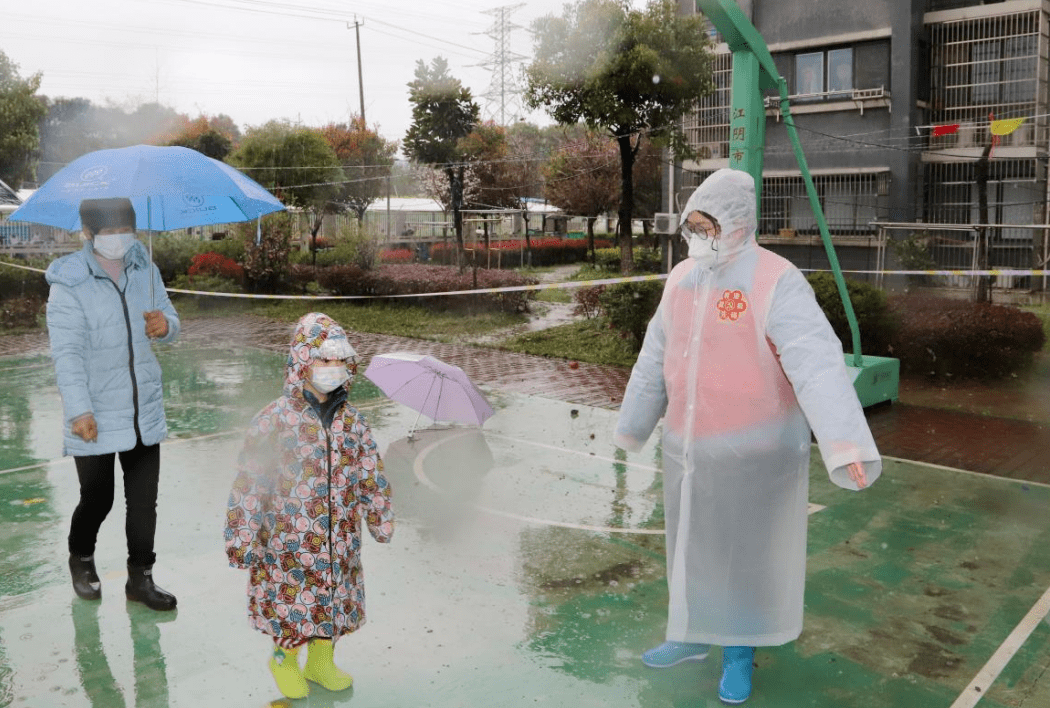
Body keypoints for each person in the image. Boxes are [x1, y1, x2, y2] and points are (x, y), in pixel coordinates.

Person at [614, 168, 880, 705]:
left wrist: (845, 441)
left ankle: (739, 651)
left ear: (736, 223)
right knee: (690, 546)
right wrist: (634, 424)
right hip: (690, 449)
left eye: (706, 225)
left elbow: (816, 365)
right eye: (691, 225)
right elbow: (654, 358)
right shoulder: (682, 280)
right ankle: (688, 635)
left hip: (756, 452)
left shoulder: (774, 280)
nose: (697, 236)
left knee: (745, 556)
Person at [224, 312, 393, 700]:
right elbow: (250, 483)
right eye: (322, 359)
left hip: (339, 541)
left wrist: (379, 515)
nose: (332, 369)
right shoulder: (274, 422)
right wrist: (242, 537)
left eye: (339, 361)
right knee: (292, 607)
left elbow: (371, 472)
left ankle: (322, 660)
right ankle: (284, 660)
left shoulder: (353, 423)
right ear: (301, 361)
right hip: (288, 547)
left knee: (335, 601)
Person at [45, 196, 180, 612]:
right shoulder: (69, 282)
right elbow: (66, 354)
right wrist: (79, 411)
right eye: (108, 232)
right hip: (95, 411)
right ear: (88, 234)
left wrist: (166, 327)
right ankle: (81, 558)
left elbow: (171, 321)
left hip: (143, 406)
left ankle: (141, 578)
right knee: (98, 497)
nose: (119, 239)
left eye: (126, 230)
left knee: (143, 502)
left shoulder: (147, 269)